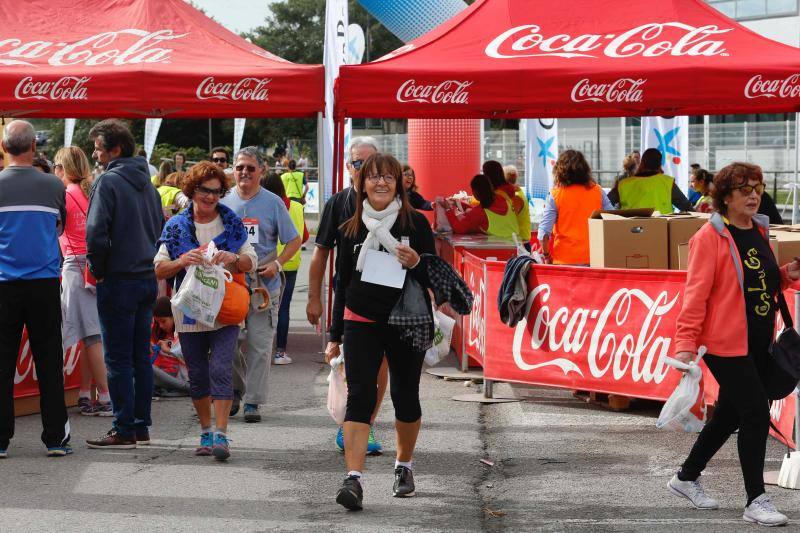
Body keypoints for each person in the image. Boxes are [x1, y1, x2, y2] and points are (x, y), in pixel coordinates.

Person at [669, 162, 800, 527]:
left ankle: (685, 478)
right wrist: (685, 343)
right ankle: (756, 499)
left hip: (757, 341)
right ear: (725, 197)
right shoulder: (708, 238)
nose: (754, 195)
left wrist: (786, 274)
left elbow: (763, 282)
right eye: (744, 189)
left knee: (729, 413)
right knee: (756, 412)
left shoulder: (758, 229)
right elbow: (694, 296)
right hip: (725, 345)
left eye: (757, 188)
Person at [327, 153, 436, 510]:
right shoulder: (350, 228)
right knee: (360, 396)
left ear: (400, 183)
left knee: (406, 397)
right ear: (362, 183)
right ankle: (353, 480)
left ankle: (403, 467)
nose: (380, 183)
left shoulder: (417, 224)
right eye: (373, 177)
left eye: (388, 177)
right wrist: (333, 334)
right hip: (361, 320)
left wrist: (416, 262)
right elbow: (341, 283)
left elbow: (434, 277)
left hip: (406, 322)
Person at [155, 161, 256, 460]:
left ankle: (222, 435)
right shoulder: (175, 226)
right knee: (198, 374)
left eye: (216, 191)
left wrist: (234, 259)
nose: (211, 197)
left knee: (221, 368)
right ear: (192, 190)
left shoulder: (232, 223)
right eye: (204, 190)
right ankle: (205, 430)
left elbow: (251, 260)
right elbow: (159, 269)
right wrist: (183, 260)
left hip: (224, 308)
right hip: (189, 311)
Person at [85, 119, 163, 449]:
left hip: (119, 278)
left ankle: (124, 427)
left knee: (118, 359)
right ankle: (139, 424)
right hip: (145, 277)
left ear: (115, 150)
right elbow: (160, 225)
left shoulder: (109, 182)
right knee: (140, 357)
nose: (94, 153)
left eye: (98, 148)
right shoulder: (148, 183)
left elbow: (95, 232)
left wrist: (99, 268)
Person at [306, 138, 386, 455]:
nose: (363, 169)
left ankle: (365, 425)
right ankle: (353, 425)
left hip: (387, 299)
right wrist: (314, 298)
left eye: (369, 162)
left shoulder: (393, 202)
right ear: (348, 166)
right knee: (355, 366)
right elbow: (320, 253)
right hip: (350, 298)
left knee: (381, 365)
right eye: (357, 163)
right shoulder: (338, 203)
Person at [0, 120, 71, 458]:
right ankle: (55, 438)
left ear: (4, 148)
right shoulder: (53, 185)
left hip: (4, 284)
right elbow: (59, 225)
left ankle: (0, 440)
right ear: (33, 148)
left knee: (2, 363)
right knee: (48, 361)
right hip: (43, 282)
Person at [220, 147, 301, 423]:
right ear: (233, 170)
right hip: (231, 281)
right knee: (227, 341)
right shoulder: (223, 201)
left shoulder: (273, 202)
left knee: (260, 342)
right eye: (240, 167)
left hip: (263, 283)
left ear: (261, 172)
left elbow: (294, 239)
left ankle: (253, 401)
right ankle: (233, 390)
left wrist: (277, 264)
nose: (244, 173)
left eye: (250, 168)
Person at [53, 146, 111, 417]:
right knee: (91, 333)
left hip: (76, 267)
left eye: (56, 166)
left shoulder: (65, 195)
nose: (54, 171)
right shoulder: (92, 191)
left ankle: (108, 397)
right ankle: (86, 393)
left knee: (90, 336)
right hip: (95, 266)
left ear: (63, 169)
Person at [261, 172, 309, 365]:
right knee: (283, 308)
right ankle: (280, 352)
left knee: (261, 307)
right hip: (289, 263)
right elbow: (304, 236)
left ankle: (262, 351)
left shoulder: (263, 205)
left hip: (266, 262)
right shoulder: (296, 206)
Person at [538, 150, 613, 265]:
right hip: (595, 260)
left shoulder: (555, 194)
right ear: (585, 170)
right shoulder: (597, 191)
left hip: (564, 261)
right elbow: (614, 219)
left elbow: (543, 234)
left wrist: (547, 256)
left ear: (559, 171)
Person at [607, 148, 693, 213]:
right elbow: (687, 208)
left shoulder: (623, 184)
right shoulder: (667, 183)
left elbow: (605, 203)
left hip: (630, 231)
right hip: (662, 231)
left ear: (642, 163)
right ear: (659, 165)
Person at [441, 174, 520, 239]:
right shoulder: (503, 198)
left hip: (499, 249)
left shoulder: (480, 212)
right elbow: (489, 212)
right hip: (517, 246)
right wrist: (461, 204)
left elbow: (459, 228)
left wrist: (448, 209)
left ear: (475, 192)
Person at [483, 160, 531, 244]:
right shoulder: (515, 193)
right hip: (514, 241)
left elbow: (508, 219)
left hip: (519, 243)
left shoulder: (514, 195)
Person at [150, 297, 190, 397]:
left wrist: (169, 350)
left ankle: (188, 388)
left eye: (163, 321)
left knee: (148, 368)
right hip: (165, 373)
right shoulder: (157, 331)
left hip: (181, 375)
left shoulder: (183, 329)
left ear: (174, 316)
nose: (161, 326)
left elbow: (189, 356)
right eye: (158, 322)